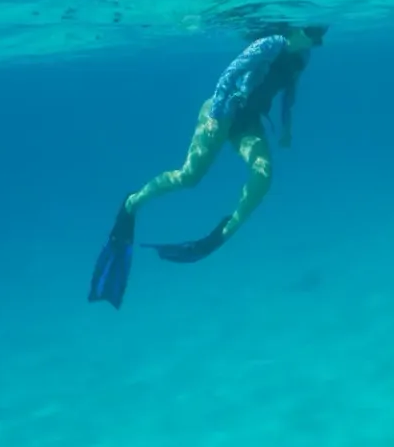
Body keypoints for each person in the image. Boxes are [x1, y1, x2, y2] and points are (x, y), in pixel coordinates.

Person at [88, 23, 327, 307]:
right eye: (313, 34)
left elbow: (290, 92)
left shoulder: (303, 56)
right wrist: (215, 115)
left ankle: (223, 233)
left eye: (320, 36)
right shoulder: (271, 44)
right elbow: (232, 71)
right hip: (222, 113)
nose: (317, 40)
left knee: (264, 174)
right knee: (189, 177)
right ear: (296, 30)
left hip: (248, 122)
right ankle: (132, 203)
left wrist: (286, 126)